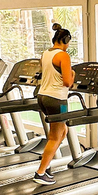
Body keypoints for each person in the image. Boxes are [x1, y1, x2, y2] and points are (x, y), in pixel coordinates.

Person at [33, 23, 76, 185]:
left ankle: (47, 162)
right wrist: (73, 73)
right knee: (55, 136)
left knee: (63, 131)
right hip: (58, 99)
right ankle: (40, 173)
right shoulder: (63, 56)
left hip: (43, 97)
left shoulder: (45, 54)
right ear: (66, 40)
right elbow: (67, 82)